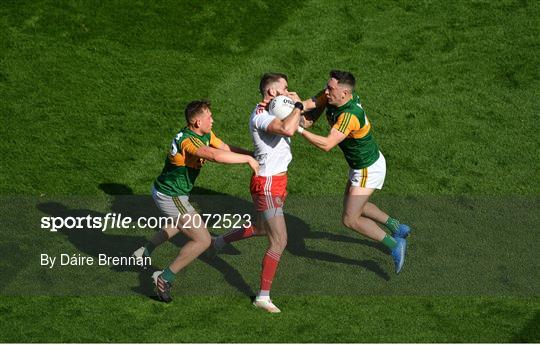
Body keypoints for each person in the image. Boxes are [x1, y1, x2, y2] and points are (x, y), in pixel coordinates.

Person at [133, 99, 259, 303]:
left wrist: (252, 154)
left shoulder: (205, 133)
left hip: (174, 193)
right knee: (202, 239)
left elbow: (224, 148)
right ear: (197, 123)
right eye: (209, 117)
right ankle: (164, 278)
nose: (213, 119)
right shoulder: (188, 141)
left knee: (178, 224)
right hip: (169, 195)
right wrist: (248, 160)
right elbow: (213, 155)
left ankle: (144, 251)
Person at [297, 70, 410, 273]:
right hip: (361, 165)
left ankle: (395, 245)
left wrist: (299, 130)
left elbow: (327, 144)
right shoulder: (333, 96)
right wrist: (294, 106)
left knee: (350, 219)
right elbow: (312, 103)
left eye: (331, 88)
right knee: (357, 205)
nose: (326, 91)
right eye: (327, 86)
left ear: (345, 94)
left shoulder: (349, 116)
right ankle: (397, 227)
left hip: (368, 168)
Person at [212, 73, 303, 313]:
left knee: (262, 229)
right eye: (285, 89)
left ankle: (219, 241)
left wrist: (302, 104)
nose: (288, 93)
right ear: (271, 92)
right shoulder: (261, 116)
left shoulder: (276, 109)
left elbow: (303, 123)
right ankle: (262, 296)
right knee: (279, 240)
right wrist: (299, 106)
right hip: (268, 184)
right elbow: (289, 130)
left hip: (277, 181)